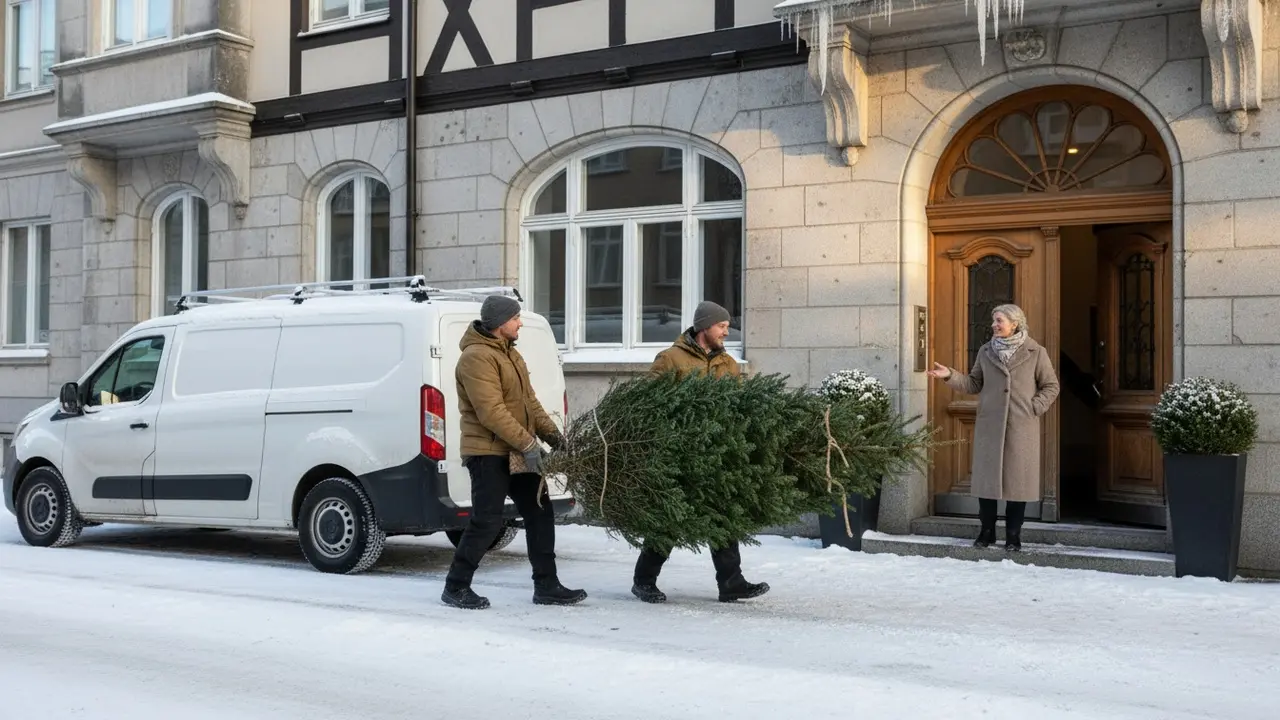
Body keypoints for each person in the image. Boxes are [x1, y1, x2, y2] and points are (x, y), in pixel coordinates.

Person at [442, 295, 587, 610]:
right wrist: (530, 444)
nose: (520, 323)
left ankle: (547, 585)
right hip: (488, 452)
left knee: (539, 513)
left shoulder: (511, 355)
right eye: (516, 318)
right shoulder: (476, 357)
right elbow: (491, 412)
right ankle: (456, 586)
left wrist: (553, 435)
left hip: (519, 451)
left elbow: (529, 403)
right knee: (487, 521)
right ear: (499, 323)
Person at [631, 300, 771, 604]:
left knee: (722, 515)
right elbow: (648, 403)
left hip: (717, 453)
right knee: (670, 516)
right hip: (679, 452)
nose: (726, 331)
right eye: (721, 326)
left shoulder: (728, 364)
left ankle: (731, 582)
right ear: (704, 326)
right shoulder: (670, 359)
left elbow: (738, 407)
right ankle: (644, 580)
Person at [926, 304, 1060, 551]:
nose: (994, 325)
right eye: (994, 321)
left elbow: (1051, 386)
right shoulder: (986, 351)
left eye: (999, 321)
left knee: (1017, 484)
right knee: (987, 483)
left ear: (1015, 323)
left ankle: (1013, 536)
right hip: (990, 425)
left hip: (1021, 425)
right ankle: (986, 532)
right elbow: (974, 383)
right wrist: (949, 375)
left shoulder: (1035, 351)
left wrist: (1034, 407)